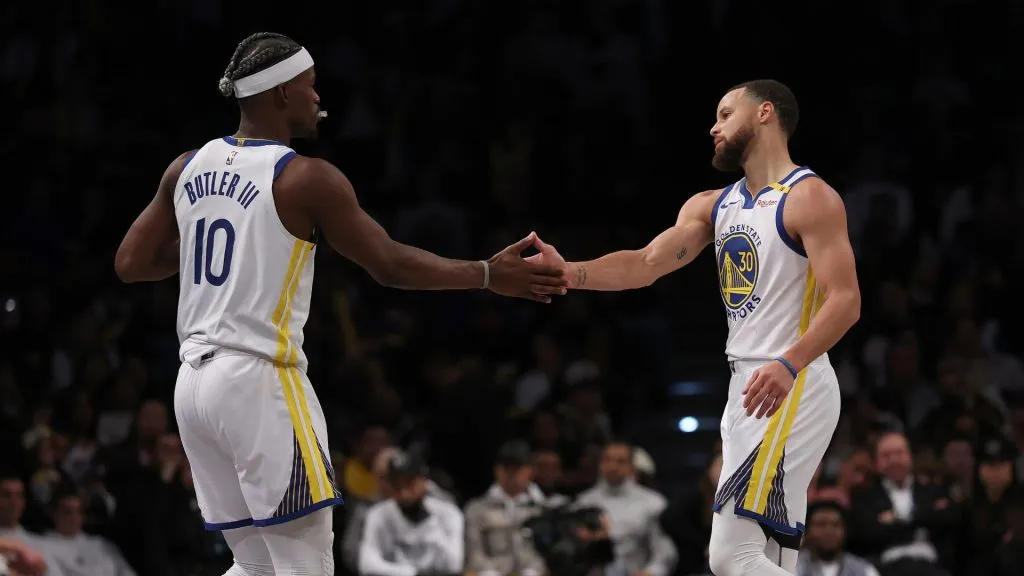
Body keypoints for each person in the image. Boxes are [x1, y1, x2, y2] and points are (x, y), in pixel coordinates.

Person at [113, 32, 566, 575]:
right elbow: (389, 265)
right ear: (280, 94)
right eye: (309, 87)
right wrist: (489, 275)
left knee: (254, 565)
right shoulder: (306, 177)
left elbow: (131, 264)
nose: (317, 98)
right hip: (258, 381)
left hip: (193, 388)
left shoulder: (185, 166)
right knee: (307, 566)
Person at [528, 79, 860, 574]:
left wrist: (789, 363)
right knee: (769, 554)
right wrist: (570, 273)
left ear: (765, 113)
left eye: (726, 113)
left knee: (729, 557)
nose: (714, 126)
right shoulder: (711, 204)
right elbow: (645, 263)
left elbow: (846, 301)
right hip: (746, 385)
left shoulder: (809, 197)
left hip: (792, 381)